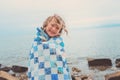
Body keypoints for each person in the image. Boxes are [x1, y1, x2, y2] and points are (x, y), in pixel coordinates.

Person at [28, 14, 71, 80]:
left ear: (59, 32)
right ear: (46, 24)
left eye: (57, 28)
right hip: (41, 75)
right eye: (52, 25)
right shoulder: (37, 41)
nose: (53, 29)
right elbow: (34, 61)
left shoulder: (59, 43)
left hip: (57, 75)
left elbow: (62, 62)